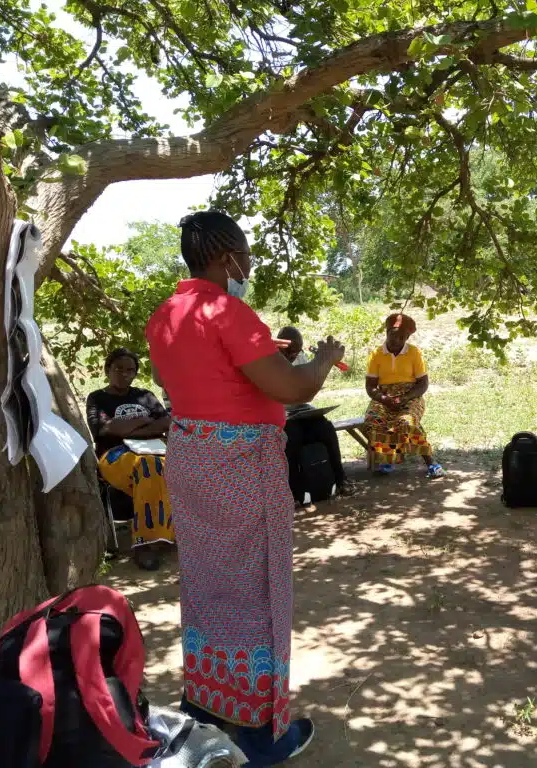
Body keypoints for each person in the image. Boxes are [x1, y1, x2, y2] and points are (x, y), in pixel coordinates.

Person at [146, 210, 345, 765]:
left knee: (209, 584)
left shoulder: (166, 314)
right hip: (240, 466)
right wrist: (321, 359)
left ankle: (206, 705)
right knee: (257, 592)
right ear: (227, 257)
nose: (248, 266)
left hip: (191, 461)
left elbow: (181, 379)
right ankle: (262, 736)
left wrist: (257, 348)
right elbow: (293, 387)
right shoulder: (226, 310)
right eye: (246, 256)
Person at [86, 348, 173, 571]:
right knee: (147, 466)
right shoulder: (97, 398)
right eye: (118, 369)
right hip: (114, 455)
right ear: (107, 370)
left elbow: (166, 423)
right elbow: (104, 430)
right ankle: (145, 543)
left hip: (154, 450)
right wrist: (144, 421)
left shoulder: (145, 396)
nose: (124, 374)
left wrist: (126, 427)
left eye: (130, 370)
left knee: (172, 466)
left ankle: (174, 532)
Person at [363, 313, 445, 478]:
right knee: (373, 419)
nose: (396, 341)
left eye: (401, 337)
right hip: (384, 396)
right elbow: (370, 387)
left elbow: (423, 384)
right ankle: (387, 460)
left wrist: (405, 398)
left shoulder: (414, 353)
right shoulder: (376, 354)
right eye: (392, 336)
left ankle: (431, 463)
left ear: (407, 337)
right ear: (386, 333)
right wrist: (384, 399)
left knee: (406, 421)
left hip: (411, 396)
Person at [275, 325, 350, 503]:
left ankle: (341, 480)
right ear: (279, 346)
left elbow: (308, 388)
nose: (294, 355)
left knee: (326, 429)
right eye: (290, 351)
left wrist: (321, 364)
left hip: (302, 409)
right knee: (292, 437)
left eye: (297, 351)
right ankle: (294, 490)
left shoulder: (300, 357)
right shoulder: (269, 361)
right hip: (280, 415)